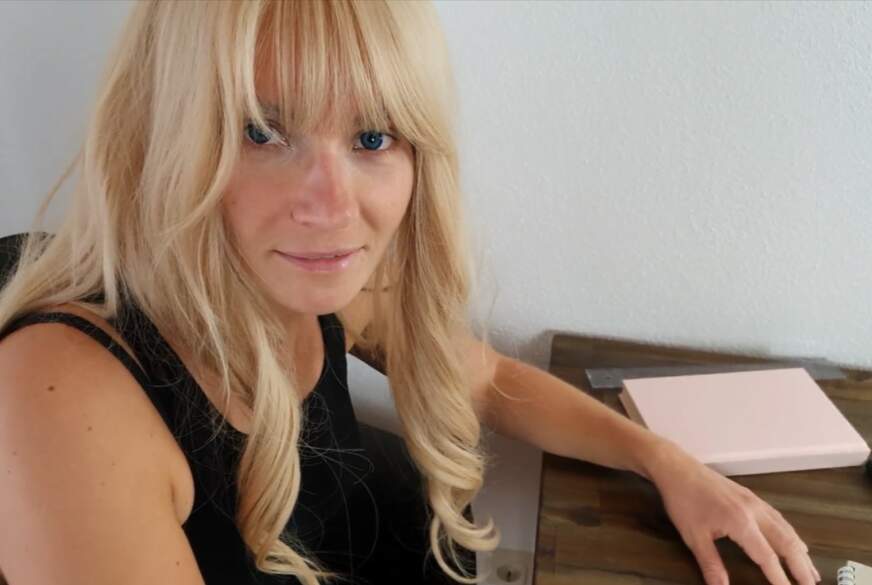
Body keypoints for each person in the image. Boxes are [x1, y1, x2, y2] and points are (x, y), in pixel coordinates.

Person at [0, 2, 820, 585]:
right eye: (261, 130)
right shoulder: (60, 397)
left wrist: (667, 462)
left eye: (372, 136)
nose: (334, 207)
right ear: (162, 132)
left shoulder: (317, 282)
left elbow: (484, 378)